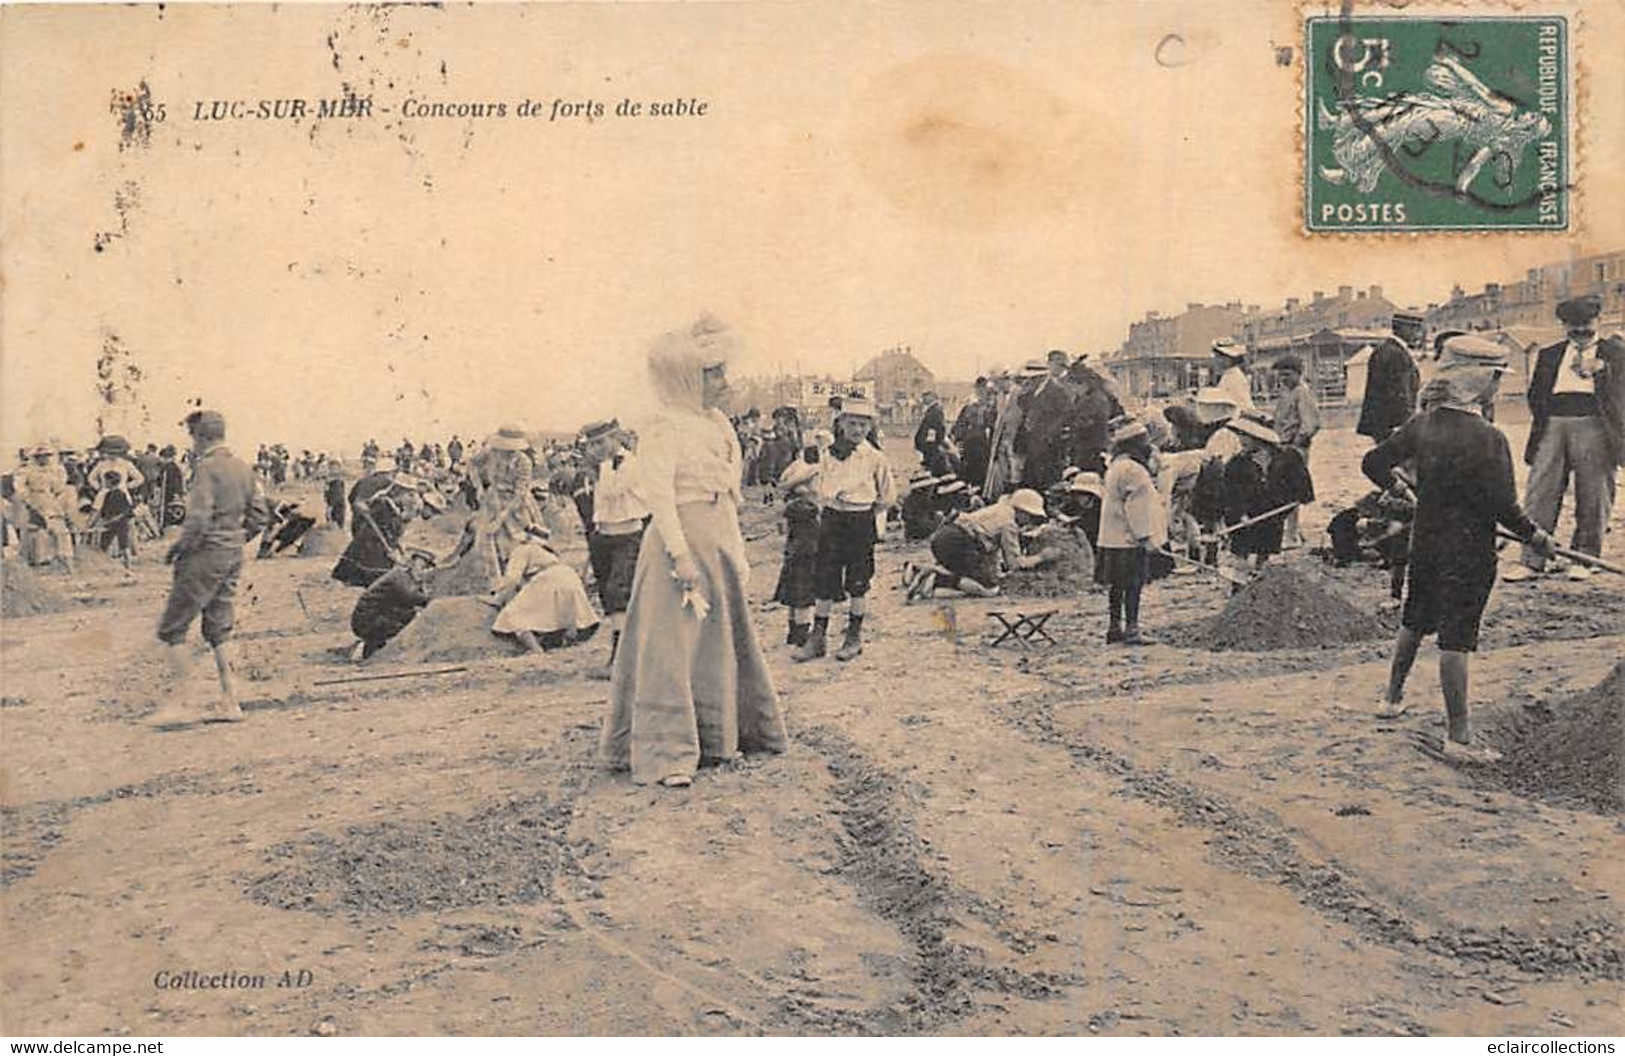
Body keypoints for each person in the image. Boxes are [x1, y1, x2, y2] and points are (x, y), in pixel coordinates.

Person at [602, 316, 787, 788]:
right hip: (676, 543)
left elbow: (726, 495)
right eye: (713, 374)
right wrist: (679, 555)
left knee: (717, 643)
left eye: (723, 372)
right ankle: (666, 753)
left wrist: (736, 553)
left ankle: (721, 736)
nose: (724, 383)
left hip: (716, 539)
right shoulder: (664, 426)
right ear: (687, 378)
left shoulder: (719, 424)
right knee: (672, 647)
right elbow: (660, 495)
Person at [1363, 334, 1555, 761]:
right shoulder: (1489, 437)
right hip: (1468, 548)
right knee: (1456, 638)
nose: (1498, 387)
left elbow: (1372, 463)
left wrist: (1405, 490)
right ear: (1478, 381)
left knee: (1415, 619)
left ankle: (1391, 700)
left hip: (1426, 540)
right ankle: (1459, 738)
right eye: (1495, 379)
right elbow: (1504, 507)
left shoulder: (1421, 424)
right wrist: (1537, 536)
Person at [148, 410, 270, 728]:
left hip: (204, 555)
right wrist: (235, 538)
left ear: (200, 437)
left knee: (173, 629)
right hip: (232, 553)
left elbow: (199, 518)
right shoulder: (244, 468)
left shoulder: (206, 468)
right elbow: (260, 515)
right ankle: (231, 702)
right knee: (220, 629)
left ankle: (180, 704)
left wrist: (179, 548)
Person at [1505, 294, 1624, 583]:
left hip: (1595, 424)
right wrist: (1549, 423)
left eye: (1586, 324)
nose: (1580, 331)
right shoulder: (1550, 354)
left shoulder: (1616, 354)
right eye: (1573, 325)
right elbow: (1536, 395)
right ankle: (1533, 560)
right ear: (1563, 325)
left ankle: (1586, 557)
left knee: (1593, 493)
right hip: (1553, 425)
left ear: (1598, 321)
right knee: (1540, 492)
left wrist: (1603, 373)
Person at [795, 396, 896, 663]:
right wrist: (832, 503)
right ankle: (818, 638)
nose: (857, 430)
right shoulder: (829, 455)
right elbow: (819, 487)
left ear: (870, 427)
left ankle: (853, 637)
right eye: (852, 423)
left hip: (860, 522)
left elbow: (887, 497)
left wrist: (863, 514)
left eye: (863, 425)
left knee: (858, 581)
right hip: (831, 521)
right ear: (841, 424)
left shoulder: (875, 458)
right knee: (825, 579)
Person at [582, 419, 648, 679]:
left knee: (619, 590)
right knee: (608, 595)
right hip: (605, 534)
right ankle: (620, 653)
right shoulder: (604, 466)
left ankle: (622, 657)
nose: (596, 449)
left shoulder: (629, 464)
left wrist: (601, 468)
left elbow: (612, 492)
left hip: (628, 534)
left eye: (601, 442)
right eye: (592, 445)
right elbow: (600, 504)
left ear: (615, 438)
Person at [908, 488, 1048, 600]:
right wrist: (1041, 557)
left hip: (945, 536)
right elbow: (1014, 563)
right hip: (959, 542)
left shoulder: (999, 509)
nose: (1029, 523)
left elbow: (989, 550)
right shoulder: (1009, 524)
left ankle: (919, 571)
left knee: (970, 571)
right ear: (1022, 511)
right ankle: (938, 579)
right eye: (1031, 518)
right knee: (989, 589)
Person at [1098, 418, 1166, 645]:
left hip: (1111, 537)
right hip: (1129, 539)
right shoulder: (1134, 470)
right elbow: (1137, 508)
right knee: (1133, 585)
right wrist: (1145, 537)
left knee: (1117, 586)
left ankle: (1114, 626)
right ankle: (1132, 629)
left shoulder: (1115, 466)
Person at [487, 523, 600, 654]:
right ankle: (559, 643)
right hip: (569, 576)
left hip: (549, 579)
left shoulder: (521, 549)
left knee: (511, 616)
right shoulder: (546, 553)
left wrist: (499, 599)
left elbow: (512, 579)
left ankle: (537, 651)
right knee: (554, 616)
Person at [349, 549, 437, 660]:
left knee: (409, 614)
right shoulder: (399, 577)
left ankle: (370, 646)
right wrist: (433, 597)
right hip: (366, 620)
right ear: (411, 564)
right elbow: (411, 597)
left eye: (426, 568)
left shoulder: (406, 577)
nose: (422, 571)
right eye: (421, 567)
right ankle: (367, 649)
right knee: (405, 622)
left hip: (375, 616)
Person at [1271, 355, 1321, 549]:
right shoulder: (1287, 393)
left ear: (1298, 374)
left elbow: (1311, 424)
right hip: (1282, 446)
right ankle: (1292, 531)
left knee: (1291, 491)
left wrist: (1295, 444)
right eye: (1280, 375)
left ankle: (1291, 535)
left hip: (1294, 449)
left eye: (1287, 375)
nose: (1283, 379)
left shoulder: (1302, 393)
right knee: (1283, 490)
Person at [772, 460, 821, 646]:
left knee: (794, 597)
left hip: (794, 555)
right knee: (804, 598)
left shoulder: (792, 508)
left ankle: (793, 631)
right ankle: (802, 634)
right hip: (807, 556)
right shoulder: (807, 509)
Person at [14, 443, 79, 574]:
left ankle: (64, 563)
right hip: (34, 499)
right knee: (37, 532)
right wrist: (28, 500)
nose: (43, 459)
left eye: (46, 456)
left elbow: (60, 486)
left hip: (52, 500)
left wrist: (58, 496)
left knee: (59, 530)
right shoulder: (26, 470)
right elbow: (20, 488)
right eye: (40, 456)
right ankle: (39, 563)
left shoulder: (57, 470)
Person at [1357, 315, 1422, 443]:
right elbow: (1400, 392)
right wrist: (1405, 424)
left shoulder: (1386, 350)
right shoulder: (1396, 354)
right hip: (1392, 425)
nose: (1418, 334)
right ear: (1402, 328)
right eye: (1415, 329)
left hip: (1382, 424)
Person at [951, 377, 997, 489]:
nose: (981, 392)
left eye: (983, 389)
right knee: (967, 473)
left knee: (982, 475)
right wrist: (958, 440)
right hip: (969, 446)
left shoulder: (992, 408)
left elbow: (994, 427)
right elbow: (959, 426)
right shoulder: (969, 408)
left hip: (985, 447)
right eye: (978, 389)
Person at [1210, 339, 1256, 414]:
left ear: (1230, 359)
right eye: (1216, 357)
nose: (1217, 361)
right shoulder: (1228, 375)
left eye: (1220, 358)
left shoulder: (1234, 377)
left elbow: (1239, 406)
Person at [913, 391, 953, 477]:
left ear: (932, 397)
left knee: (932, 464)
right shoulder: (933, 410)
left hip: (931, 444)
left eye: (926, 396)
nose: (923, 399)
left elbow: (936, 428)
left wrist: (930, 442)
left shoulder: (935, 410)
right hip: (930, 444)